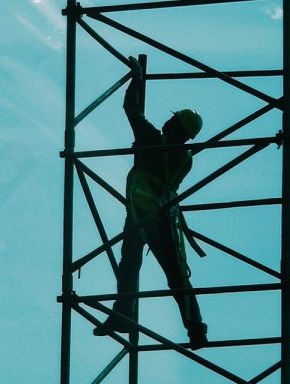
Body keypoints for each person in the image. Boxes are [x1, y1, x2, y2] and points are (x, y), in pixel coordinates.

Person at [94, 56, 208, 350]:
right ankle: (196, 329)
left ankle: (122, 315)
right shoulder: (186, 157)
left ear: (175, 125)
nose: (167, 119)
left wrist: (137, 77)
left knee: (130, 263)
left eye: (172, 119)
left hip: (141, 213)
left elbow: (130, 108)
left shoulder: (150, 138)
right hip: (164, 216)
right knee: (176, 274)